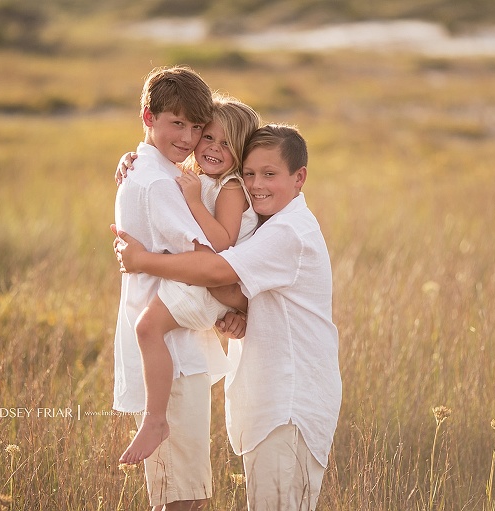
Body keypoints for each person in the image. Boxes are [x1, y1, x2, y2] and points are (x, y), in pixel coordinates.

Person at [112, 124, 342, 510]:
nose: (255, 185)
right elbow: (252, 296)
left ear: (299, 177)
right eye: (249, 173)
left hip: (289, 405)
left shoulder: (288, 230)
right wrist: (141, 157)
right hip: (270, 402)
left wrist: (142, 261)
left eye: (269, 175)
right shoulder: (271, 224)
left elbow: (219, 273)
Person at [112, 65, 241, 511]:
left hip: (179, 346)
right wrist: (241, 304)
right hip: (175, 358)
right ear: (148, 117)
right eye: (176, 124)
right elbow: (209, 264)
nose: (187, 138)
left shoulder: (155, 172)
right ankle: (154, 420)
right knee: (180, 498)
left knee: (187, 490)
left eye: (195, 127)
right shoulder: (157, 183)